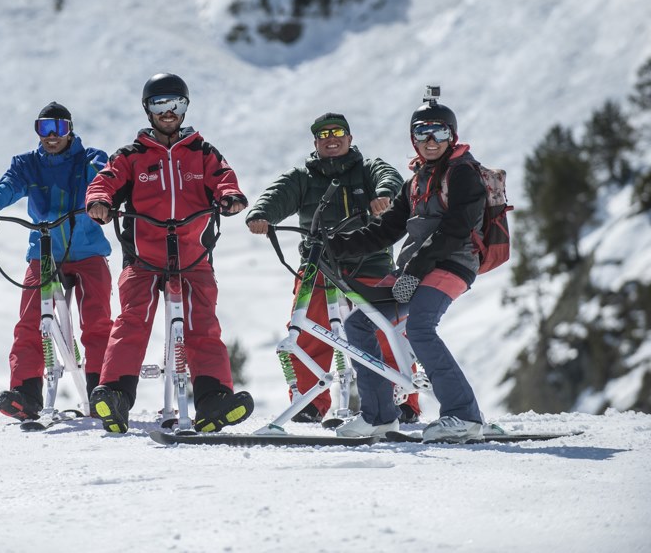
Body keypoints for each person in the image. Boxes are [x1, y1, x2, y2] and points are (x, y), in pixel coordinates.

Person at [85, 73, 253, 433]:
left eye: (175, 104)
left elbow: (223, 176)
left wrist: (229, 196)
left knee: (202, 323)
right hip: (144, 258)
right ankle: (114, 395)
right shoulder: (132, 155)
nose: (168, 112)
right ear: (147, 110)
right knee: (132, 320)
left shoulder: (202, 152)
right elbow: (106, 180)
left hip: (193, 256)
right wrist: (100, 201)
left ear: (185, 106)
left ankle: (214, 401)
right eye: (159, 104)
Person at [325, 90, 487, 442]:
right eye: (422, 133)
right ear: (413, 138)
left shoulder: (464, 174)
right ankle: (380, 416)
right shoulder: (415, 180)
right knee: (358, 324)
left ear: (452, 136)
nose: (430, 141)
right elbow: (386, 229)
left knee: (420, 328)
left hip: (453, 264)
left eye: (439, 132)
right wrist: (337, 246)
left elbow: (456, 227)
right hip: (416, 269)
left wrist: (414, 269)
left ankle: (465, 416)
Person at [244, 112, 420, 424]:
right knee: (308, 332)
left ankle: (402, 399)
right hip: (319, 266)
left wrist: (383, 196)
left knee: (386, 332)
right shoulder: (303, 178)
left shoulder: (368, 170)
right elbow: (277, 195)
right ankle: (310, 402)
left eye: (338, 132)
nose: (331, 138)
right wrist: (261, 214)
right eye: (323, 135)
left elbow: (389, 177)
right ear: (315, 143)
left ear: (350, 138)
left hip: (370, 262)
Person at [0, 101, 113, 420]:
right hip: (44, 252)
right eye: (44, 128)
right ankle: (26, 392)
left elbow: (103, 178)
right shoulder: (26, 164)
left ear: (70, 130)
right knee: (30, 321)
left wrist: (101, 198)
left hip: (87, 250)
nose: (51, 136)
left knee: (98, 320)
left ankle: (103, 389)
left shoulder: (90, 159)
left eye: (58, 128)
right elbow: (8, 185)